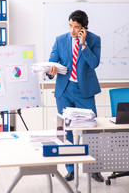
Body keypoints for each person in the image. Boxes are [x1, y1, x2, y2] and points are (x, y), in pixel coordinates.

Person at [47, 10, 104, 182]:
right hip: (64, 90)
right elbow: (52, 63)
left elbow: (94, 63)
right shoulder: (60, 40)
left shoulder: (94, 40)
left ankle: (94, 169)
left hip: (84, 90)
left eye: (76, 27)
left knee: (91, 129)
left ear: (84, 28)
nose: (72, 30)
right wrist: (51, 71)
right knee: (65, 130)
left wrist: (83, 43)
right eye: (70, 25)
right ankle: (70, 169)